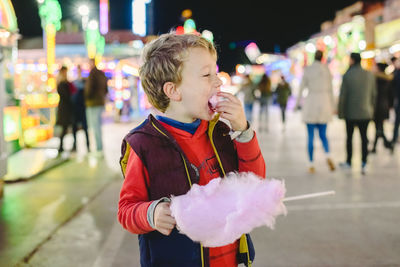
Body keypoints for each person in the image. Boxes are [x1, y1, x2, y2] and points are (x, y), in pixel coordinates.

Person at [118, 33, 265, 267]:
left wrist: (243, 131)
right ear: (173, 91)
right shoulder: (143, 144)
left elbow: (254, 184)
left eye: (215, 73)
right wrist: (151, 213)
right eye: (207, 75)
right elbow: (126, 209)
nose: (218, 82)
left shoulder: (220, 132)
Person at [295, 50, 335, 173]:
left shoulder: (308, 69)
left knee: (310, 136)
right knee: (323, 135)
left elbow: (301, 89)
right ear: (322, 57)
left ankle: (311, 163)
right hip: (324, 103)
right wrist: (333, 106)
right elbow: (331, 90)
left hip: (311, 103)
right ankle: (328, 155)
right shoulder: (326, 70)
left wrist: (297, 104)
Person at [338, 52, 376, 174]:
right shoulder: (369, 75)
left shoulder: (347, 75)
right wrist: (371, 108)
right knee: (364, 138)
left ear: (352, 61)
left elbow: (343, 96)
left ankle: (349, 161)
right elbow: (374, 94)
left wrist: (341, 112)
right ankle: (364, 162)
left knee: (349, 138)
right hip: (365, 112)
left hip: (350, 113)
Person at [84, 58, 108, 154]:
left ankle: (99, 148)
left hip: (93, 103)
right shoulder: (101, 74)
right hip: (100, 102)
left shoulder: (92, 74)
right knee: (98, 125)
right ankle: (100, 147)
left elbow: (89, 89)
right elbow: (106, 89)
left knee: (95, 126)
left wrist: (86, 97)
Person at [371, 62, 393, 153]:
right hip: (384, 106)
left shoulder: (375, 80)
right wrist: (390, 105)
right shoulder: (388, 80)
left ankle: (387, 144)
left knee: (378, 127)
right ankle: (384, 144)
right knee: (380, 127)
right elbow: (391, 95)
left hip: (377, 106)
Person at [56, 66, 77, 153]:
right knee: (65, 128)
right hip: (65, 109)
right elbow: (67, 96)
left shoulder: (65, 83)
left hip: (67, 109)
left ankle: (73, 145)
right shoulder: (61, 84)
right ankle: (61, 147)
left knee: (71, 127)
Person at [72, 65, 90, 152]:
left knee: (85, 128)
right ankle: (75, 145)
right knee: (75, 127)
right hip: (76, 108)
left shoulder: (84, 81)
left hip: (82, 107)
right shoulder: (74, 82)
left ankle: (88, 145)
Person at [390, 57, 400, 150]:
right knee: (396, 122)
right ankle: (394, 138)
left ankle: (394, 138)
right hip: (398, 100)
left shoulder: (396, 73)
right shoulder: (396, 72)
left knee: (397, 122)